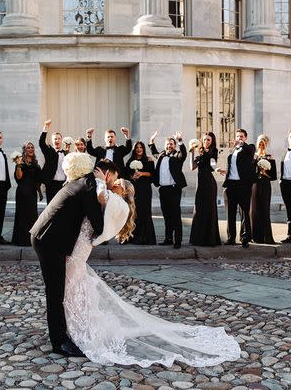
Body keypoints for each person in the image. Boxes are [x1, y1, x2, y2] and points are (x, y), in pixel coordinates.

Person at [63, 155, 241, 367]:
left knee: (72, 283)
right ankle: (74, 322)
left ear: (125, 192)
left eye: (118, 184)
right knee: (74, 284)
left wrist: (101, 180)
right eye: (115, 182)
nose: (114, 184)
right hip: (79, 245)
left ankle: (76, 326)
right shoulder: (112, 199)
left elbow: (101, 198)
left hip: (82, 247)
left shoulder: (117, 203)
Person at [29, 153, 106, 356]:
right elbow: (97, 222)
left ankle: (62, 333)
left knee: (57, 289)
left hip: (46, 237)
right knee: (55, 291)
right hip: (47, 241)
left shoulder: (77, 182)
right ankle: (59, 342)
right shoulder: (87, 184)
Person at [217, 128, 255, 248]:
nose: (239, 138)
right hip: (230, 185)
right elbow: (234, 167)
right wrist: (225, 172)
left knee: (244, 212)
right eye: (237, 136)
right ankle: (231, 238)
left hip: (243, 185)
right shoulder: (233, 151)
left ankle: (245, 238)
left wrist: (242, 144)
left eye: (241, 136)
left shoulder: (249, 149)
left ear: (245, 138)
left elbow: (250, 151)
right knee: (230, 213)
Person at [149, 131, 187, 249]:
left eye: (171, 144)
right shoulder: (161, 155)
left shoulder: (177, 156)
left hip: (174, 189)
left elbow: (183, 154)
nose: (169, 146)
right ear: (164, 145)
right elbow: (154, 152)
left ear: (174, 146)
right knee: (166, 216)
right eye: (167, 144)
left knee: (175, 215)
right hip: (163, 190)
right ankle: (168, 238)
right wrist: (151, 142)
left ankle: (178, 240)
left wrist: (180, 141)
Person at [189, 132, 221, 247]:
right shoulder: (199, 152)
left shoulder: (213, 151)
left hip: (209, 183)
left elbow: (213, 166)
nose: (206, 142)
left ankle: (210, 239)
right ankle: (198, 239)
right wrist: (192, 152)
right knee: (199, 208)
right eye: (205, 139)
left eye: (208, 140)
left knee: (209, 209)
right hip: (200, 183)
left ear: (212, 141)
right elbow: (192, 167)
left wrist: (218, 170)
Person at [125, 141, 157, 245]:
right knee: (133, 212)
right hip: (134, 189)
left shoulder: (149, 160)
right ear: (134, 149)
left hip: (145, 189)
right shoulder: (130, 160)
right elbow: (126, 175)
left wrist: (142, 173)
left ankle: (145, 238)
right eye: (137, 147)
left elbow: (153, 175)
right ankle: (131, 236)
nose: (139, 149)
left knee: (145, 212)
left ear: (143, 149)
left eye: (141, 147)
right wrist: (131, 176)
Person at [12, 141, 43, 246]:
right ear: (24, 150)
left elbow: (37, 180)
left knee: (32, 215)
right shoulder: (20, 162)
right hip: (22, 192)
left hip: (32, 193)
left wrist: (40, 193)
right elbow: (19, 177)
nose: (30, 149)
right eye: (28, 147)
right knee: (22, 215)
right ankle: (20, 240)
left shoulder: (36, 163)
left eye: (32, 147)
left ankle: (31, 240)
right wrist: (18, 166)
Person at [250, 134, 277, 244]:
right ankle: (255, 236)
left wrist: (264, 172)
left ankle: (267, 237)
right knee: (254, 210)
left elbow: (273, 176)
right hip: (255, 185)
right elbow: (250, 172)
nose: (261, 144)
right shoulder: (253, 156)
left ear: (266, 143)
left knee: (264, 210)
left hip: (265, 185)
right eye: (260, 142)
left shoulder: (270, 157)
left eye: (264, 142)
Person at [39, 119, 67, 203]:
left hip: (64, 184)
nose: (57, 140)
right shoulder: (49, 151)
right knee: (51, 205)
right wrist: (45, 127)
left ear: (61, 140)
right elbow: (41, 143)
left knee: (63, 206)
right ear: (52, 141)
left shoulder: (66, 153)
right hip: (51, 184)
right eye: (55, 139)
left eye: (58, 139)